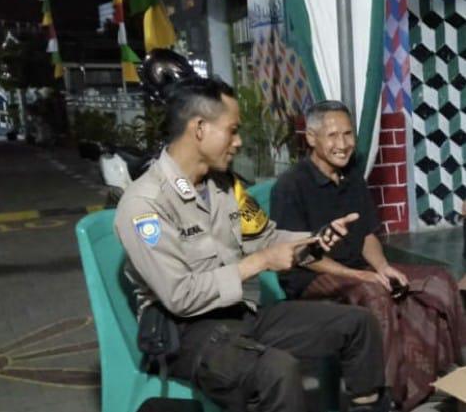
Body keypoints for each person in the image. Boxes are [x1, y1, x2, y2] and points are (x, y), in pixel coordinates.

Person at [115, 65, 389, 412]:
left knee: (358, 324)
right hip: (186, 334)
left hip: (242, 315)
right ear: (199, 129)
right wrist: (259, 263)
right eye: (232, 131)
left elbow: (265, 237)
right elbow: (180, 295)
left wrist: (314, 241)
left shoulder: (224, 186)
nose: (238, 142)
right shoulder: (146, 204)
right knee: (277, 371)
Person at [270, 100, 466, 411]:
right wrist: (362, 275)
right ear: (311, 138)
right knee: (374, 293)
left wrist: (383, 267)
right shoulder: (290, 186)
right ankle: (381, 394)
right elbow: (301, 255)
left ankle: (438, 377)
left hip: (358, 268)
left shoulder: (352, 176)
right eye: (333, 135)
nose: (343, 144)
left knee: (438, 280)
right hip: (311, 276)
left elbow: (367, 235)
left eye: (348, 134)